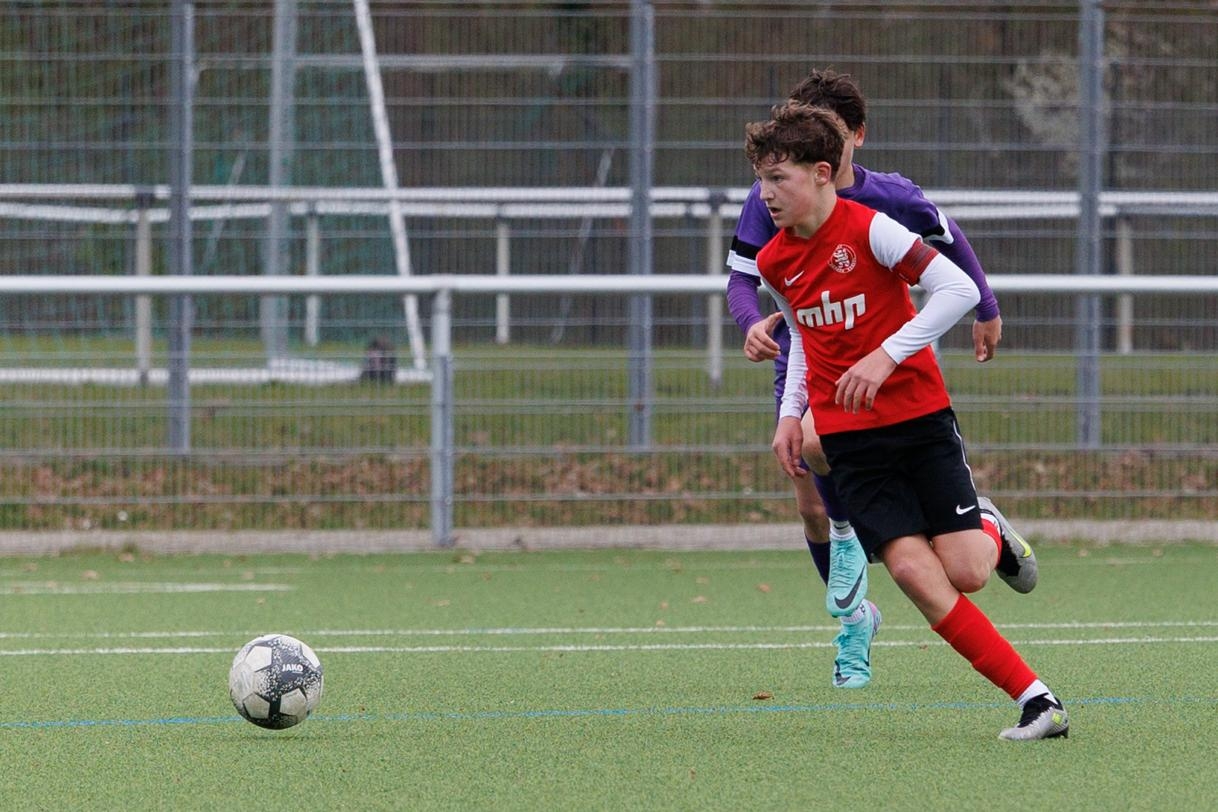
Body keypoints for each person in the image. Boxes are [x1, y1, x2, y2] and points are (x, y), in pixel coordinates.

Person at [747, 101, 1068, 740]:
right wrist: (790, 414)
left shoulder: (873, 229)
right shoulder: (774, 261)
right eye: (760, 180)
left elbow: (958, 290)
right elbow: (805, 339)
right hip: (850, 440)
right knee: (913, 573)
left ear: (820, 173)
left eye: (777, 178)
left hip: (920, 421)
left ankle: (988, 525)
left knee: (968, 571)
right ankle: (1038, 701)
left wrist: (887, 355)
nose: (765, 195)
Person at [725, 68, 1005, 690]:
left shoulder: (889, 200)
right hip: (809, 356)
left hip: (884, 369)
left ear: (855, 137)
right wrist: (751, 324)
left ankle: (884, 532)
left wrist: (985, 307)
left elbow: (951, 245)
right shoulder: (775, 192)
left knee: (820, 447)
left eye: (829, 132)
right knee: (808, 499)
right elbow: (746, 277)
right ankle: (856, 619)